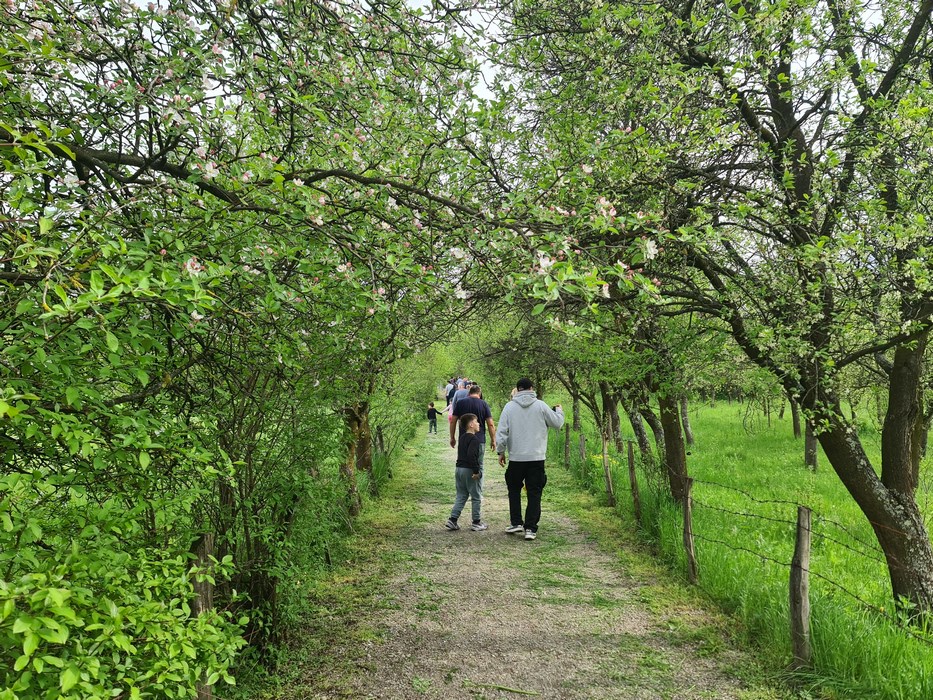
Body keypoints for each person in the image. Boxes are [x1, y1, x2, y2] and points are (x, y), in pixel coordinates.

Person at [495, 378, 564, 541]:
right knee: (534, 492)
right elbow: (557, 423)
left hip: (516, 457)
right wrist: (559, 411)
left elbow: (502, 431)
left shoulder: (509, 407)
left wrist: (501, 451)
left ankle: (516, 522)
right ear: (532, 388)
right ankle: (531, 528)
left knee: (514, 489)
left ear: (517, 389)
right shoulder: (540, 405)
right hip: (536, 457)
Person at [445, 413, 488, 532]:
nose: (479, 424)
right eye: (477, 421)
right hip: (469, 471)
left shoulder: (462, 437)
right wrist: (476, 471)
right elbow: (471, 455)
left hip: (459, 469)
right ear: (471, 425)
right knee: (476, 496)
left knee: (461, 495)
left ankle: (452, 519)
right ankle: (476, 522)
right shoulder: (475, 439)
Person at [449, 384, 495, 469]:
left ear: (469, 393)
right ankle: (477, 481)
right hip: (479, 439)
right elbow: (490, 424)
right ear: (479, 393)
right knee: (479, 465)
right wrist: (493, 440)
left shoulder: (460, 403)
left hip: (463, 439)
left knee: (463, 464)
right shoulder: (483, 404)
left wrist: (452, 437)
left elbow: (453, 421)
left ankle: (464, 481)